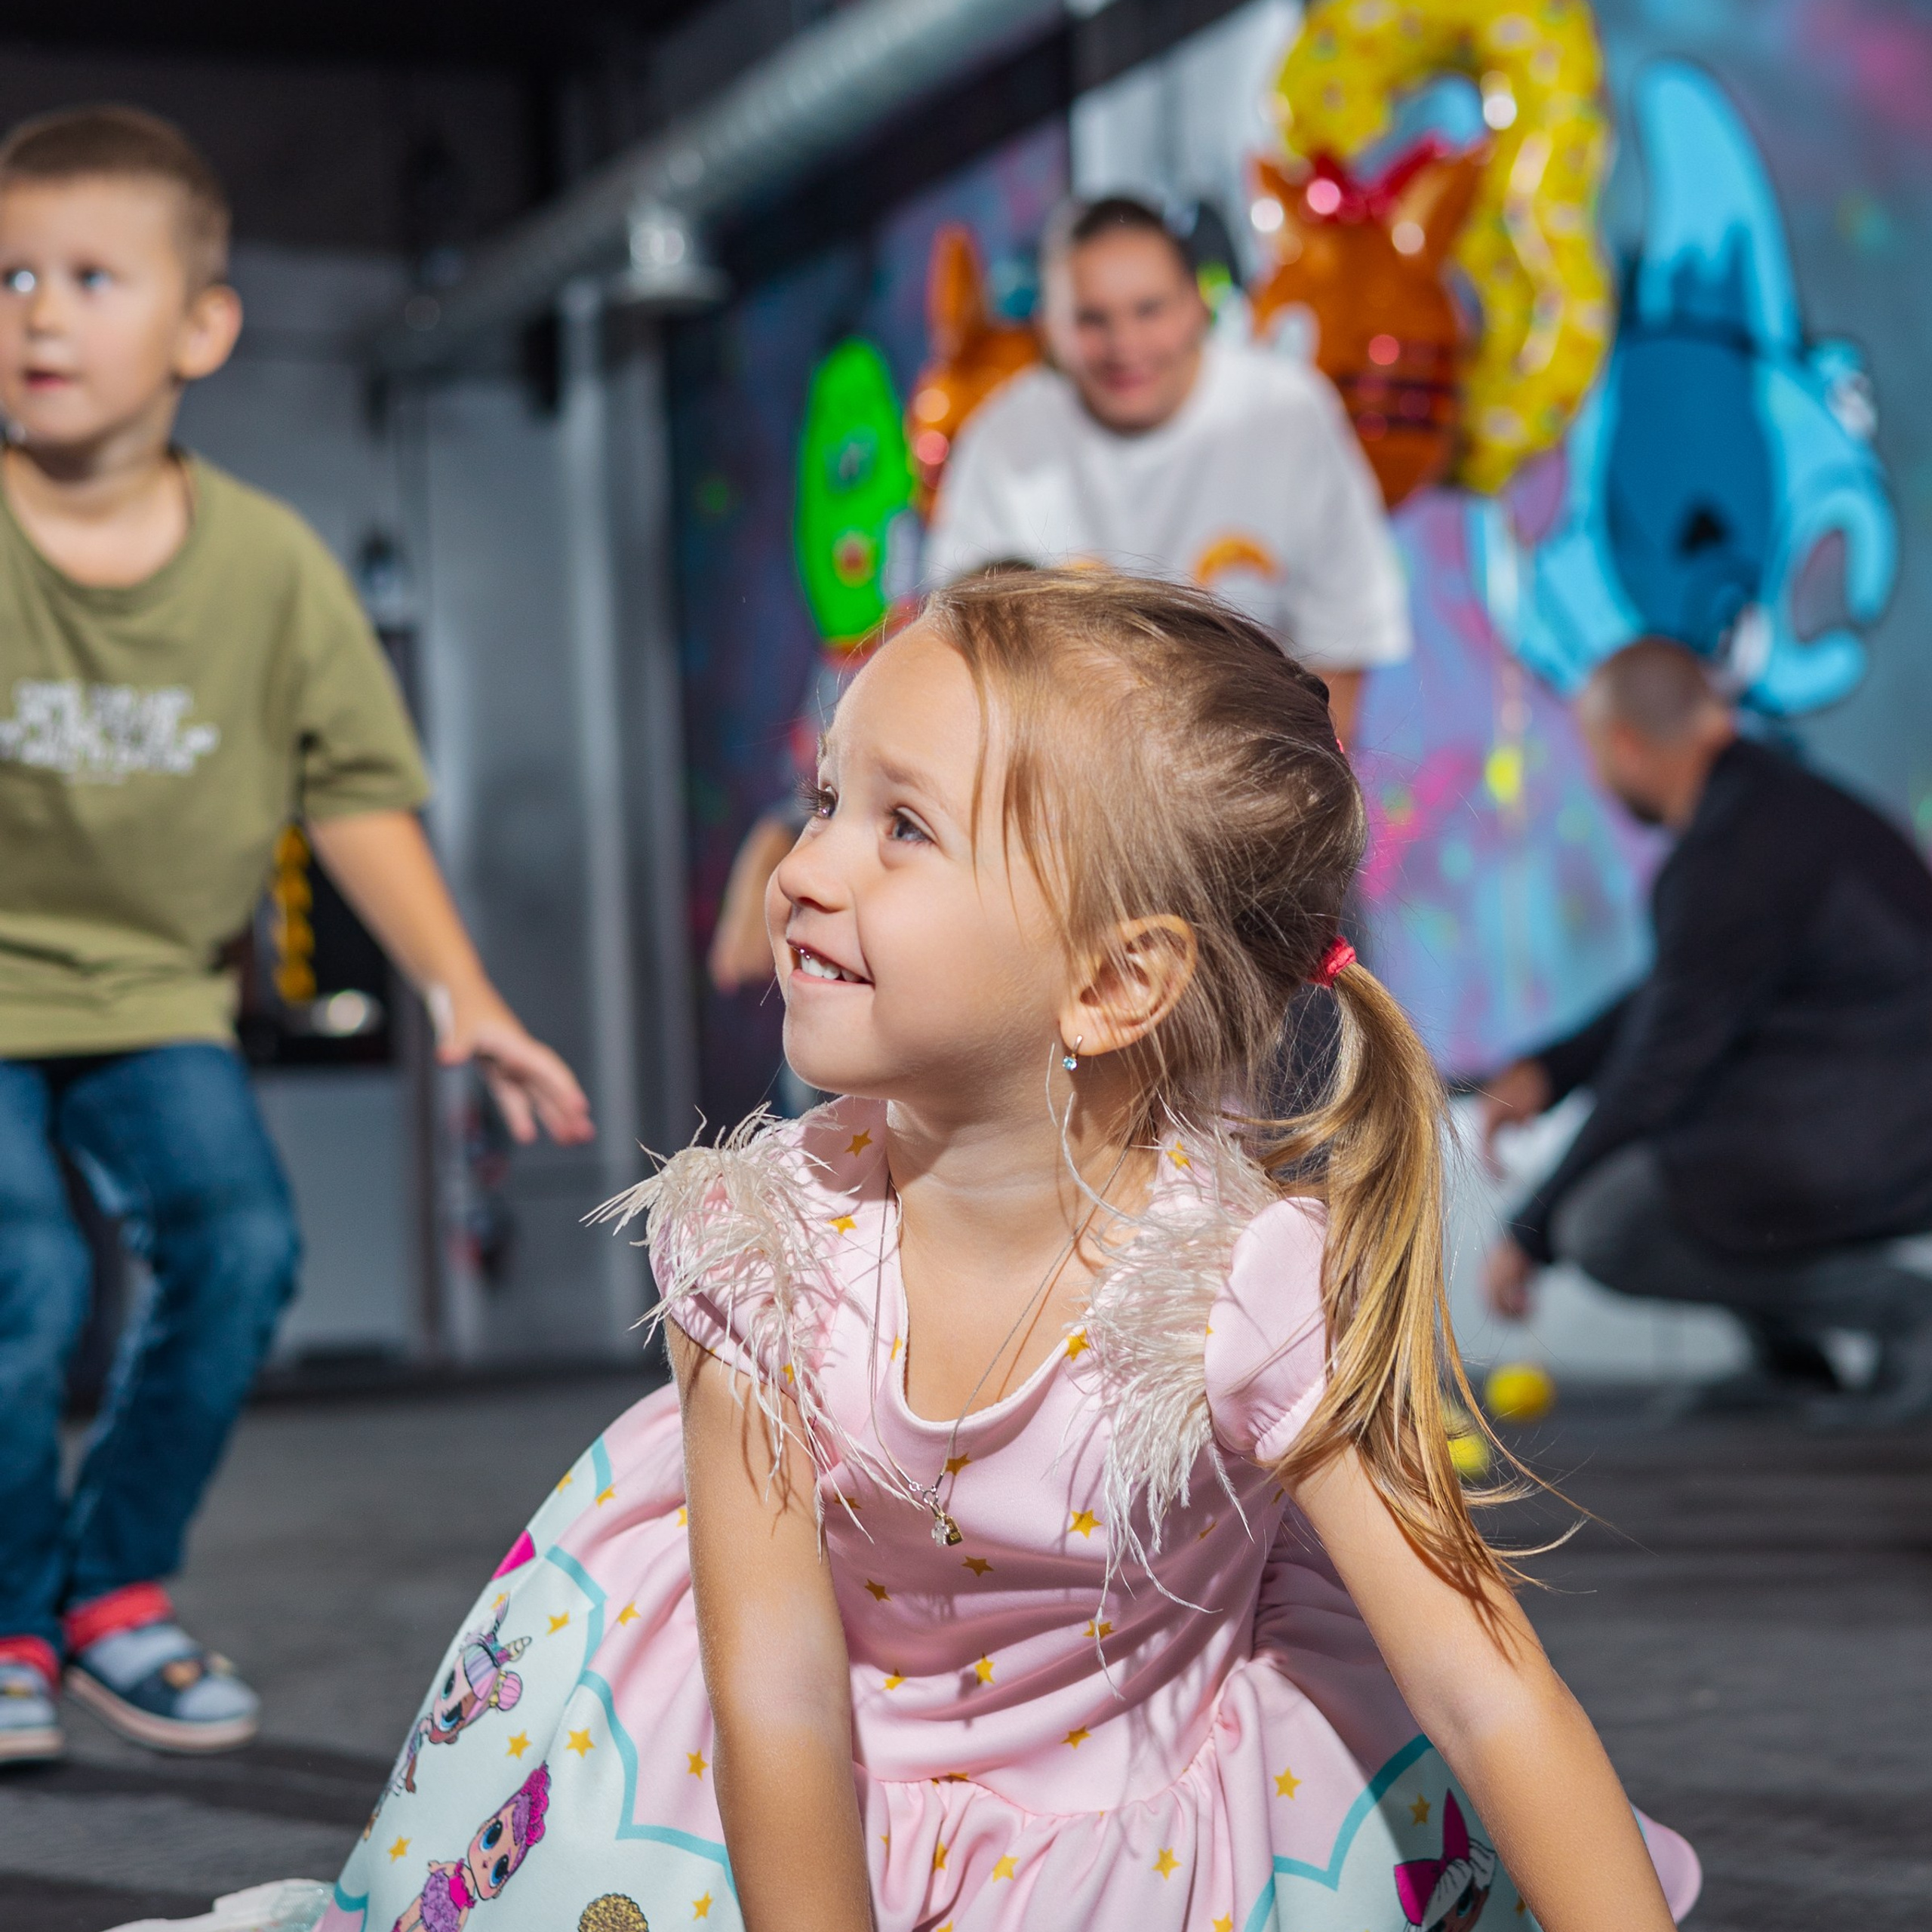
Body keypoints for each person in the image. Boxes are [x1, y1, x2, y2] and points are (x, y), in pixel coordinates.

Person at [287, 572, 1696, 1932]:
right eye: (827, 800)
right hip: (784, 1799)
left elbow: (1484, 1692)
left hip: (1134, 1821)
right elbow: (778, 1694)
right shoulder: (757, 1248)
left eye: (903, 827)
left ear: (1113, 982)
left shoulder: (1247, 1288)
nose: (805, 870)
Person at [0, 106, 592, 1768]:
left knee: (243, 1242)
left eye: (91, 279)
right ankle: (8, 1616)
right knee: (28, 1277)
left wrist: (465, 994)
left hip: (150, 996)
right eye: (12, 277)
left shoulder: (269, 568)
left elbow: (355, 797)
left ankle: (110, 1590)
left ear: (202, 327)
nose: (40, 313)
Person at [706, 195, 1409, 997]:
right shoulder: (1005, 442)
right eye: (1093, 319)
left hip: (1255, 818)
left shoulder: (1288, 416)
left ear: (1196, 305)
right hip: (1073, 844)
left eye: (1149, 310)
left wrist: (1267, 830)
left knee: (1313, 1035)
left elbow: (1339, 658)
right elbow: (964, 658)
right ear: (1051, 327)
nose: (1126, 343)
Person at [1480, 638, 1932, 1418]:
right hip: (1875, 1109)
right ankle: (1792, 1361)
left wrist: (1531, 1230)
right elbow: (1686, 988)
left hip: (1881, 1126)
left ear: (1625, 743)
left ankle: (1906, 1314)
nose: (1600, 778)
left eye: (1596, 756)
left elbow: (1658, 1068)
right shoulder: (1767, 810)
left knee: (1607, 1221)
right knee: (1701, 1147)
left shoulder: (1733, 851)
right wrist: (1551, 1070)